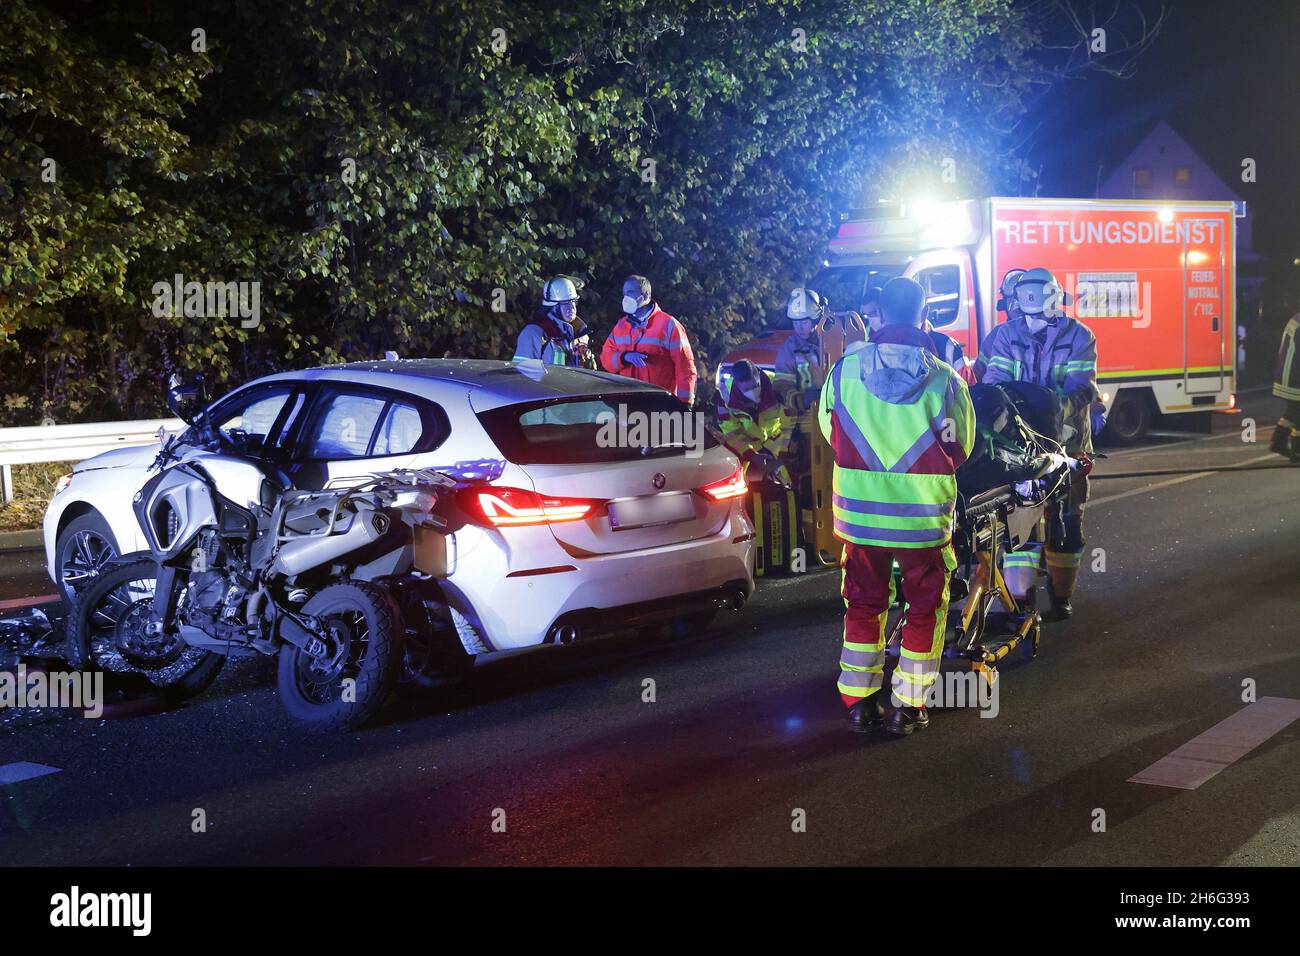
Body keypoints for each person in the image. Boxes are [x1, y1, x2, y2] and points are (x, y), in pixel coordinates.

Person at [818, 277, 975, 737]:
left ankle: (859, 704)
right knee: (925, 608)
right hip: (921, 524)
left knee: (863, 605)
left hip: (860, 519)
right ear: (924, 318)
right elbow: (960, 446)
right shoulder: (945, 380)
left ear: (878, 317)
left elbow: (832, 431)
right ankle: (907, 707)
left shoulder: (844, 371)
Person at [976, 267, 1098, 620]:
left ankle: (1061, 597)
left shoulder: (1080, 336)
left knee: (1067, 520)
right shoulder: (1004, 336)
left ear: (1055, 302)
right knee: (1021, 521)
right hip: (1021, 450)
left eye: (1041, 313)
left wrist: (1048, 409)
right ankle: (1021, 600)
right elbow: (996, 382)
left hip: (1069, 443)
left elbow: (1082, 388)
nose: (1033, 322)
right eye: (1027, 314)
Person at [601, 275, 697, 405]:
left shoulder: (669, 325)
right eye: (624, 294)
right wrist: (624, 357)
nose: (626, 298)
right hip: (627, 404)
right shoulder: (621, 326)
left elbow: (685, 367)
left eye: (630, 293)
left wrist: (685, 404)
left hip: (659, 404)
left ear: (646, 295)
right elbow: (606, 358)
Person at [716, 359, 794, 483]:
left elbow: (789, 423)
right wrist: (751, 455)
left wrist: (782, 455)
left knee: (786, 484)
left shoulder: (777, 385)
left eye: (754, 386)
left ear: (758, 374)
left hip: (776, 443)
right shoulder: (725, 395)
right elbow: (731, 432)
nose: (751, 392)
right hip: (747, 447)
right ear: (736, 384)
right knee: (741, 485)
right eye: (746, 389)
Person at [513, 276, 594, 367]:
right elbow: (522, 374)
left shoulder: (581, 335)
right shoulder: (533, 333)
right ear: (552, 306)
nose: (572, 308)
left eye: (573, 301)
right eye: (565, 303)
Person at [773, 288, 828, 398]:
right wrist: (800, 401)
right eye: (795, 323)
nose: (800, 328)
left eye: (804, 322)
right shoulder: (789, 349)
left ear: (816, 320)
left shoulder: (831, 342)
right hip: (806, 413)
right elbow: (782, 388)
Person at [1269, 312, 1300, 461]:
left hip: (1289, 372)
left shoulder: (1297, 318)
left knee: (1293, 410)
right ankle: (1297, 451)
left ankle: (1278, 442)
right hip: (1296, 375)